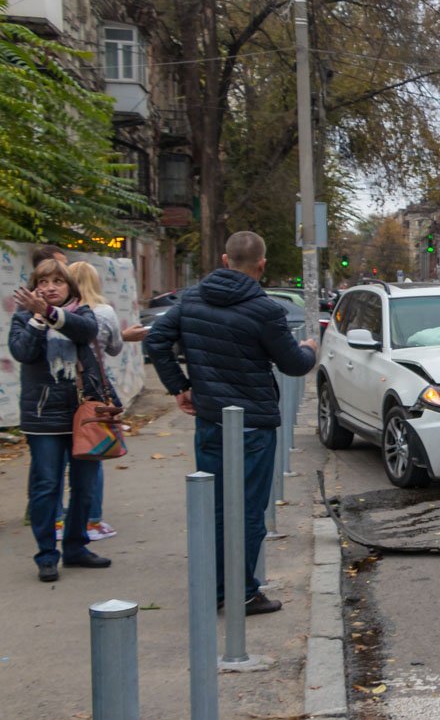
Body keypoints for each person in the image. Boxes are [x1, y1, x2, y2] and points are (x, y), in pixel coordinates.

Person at [145, 231, 317, 615]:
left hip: (210, 422)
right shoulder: (265, 310)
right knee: (248, 511)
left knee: (215, 507)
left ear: (225, 260)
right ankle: (241, 591)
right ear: (262, 265)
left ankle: (216, 586)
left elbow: (155, 341)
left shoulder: (191, 299)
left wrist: (180, 387)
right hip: (253, 426)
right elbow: (293, 364)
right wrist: (309, 350)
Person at [9, 259, 112, 582]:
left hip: (83, 414)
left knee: (84, 487)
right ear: (34, 286)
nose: (50, 287)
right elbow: (23, 352)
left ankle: (76, 547)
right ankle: (46, 555)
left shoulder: (82, 313)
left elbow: (86, 332)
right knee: (46, 486)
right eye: (43, 282)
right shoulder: (23, 317)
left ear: (70, 286)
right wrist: (38, 318)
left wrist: (51, 313)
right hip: (43, 418)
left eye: (57, 281)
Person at [62, 260, 150, 541]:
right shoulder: (103, 312)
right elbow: (113, 348)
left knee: (59, 458)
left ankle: (59, 521)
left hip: (61, 389)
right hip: (92, 390)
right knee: (93, 450)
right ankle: (92, 519)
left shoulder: (60, 313)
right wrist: (123, 336)